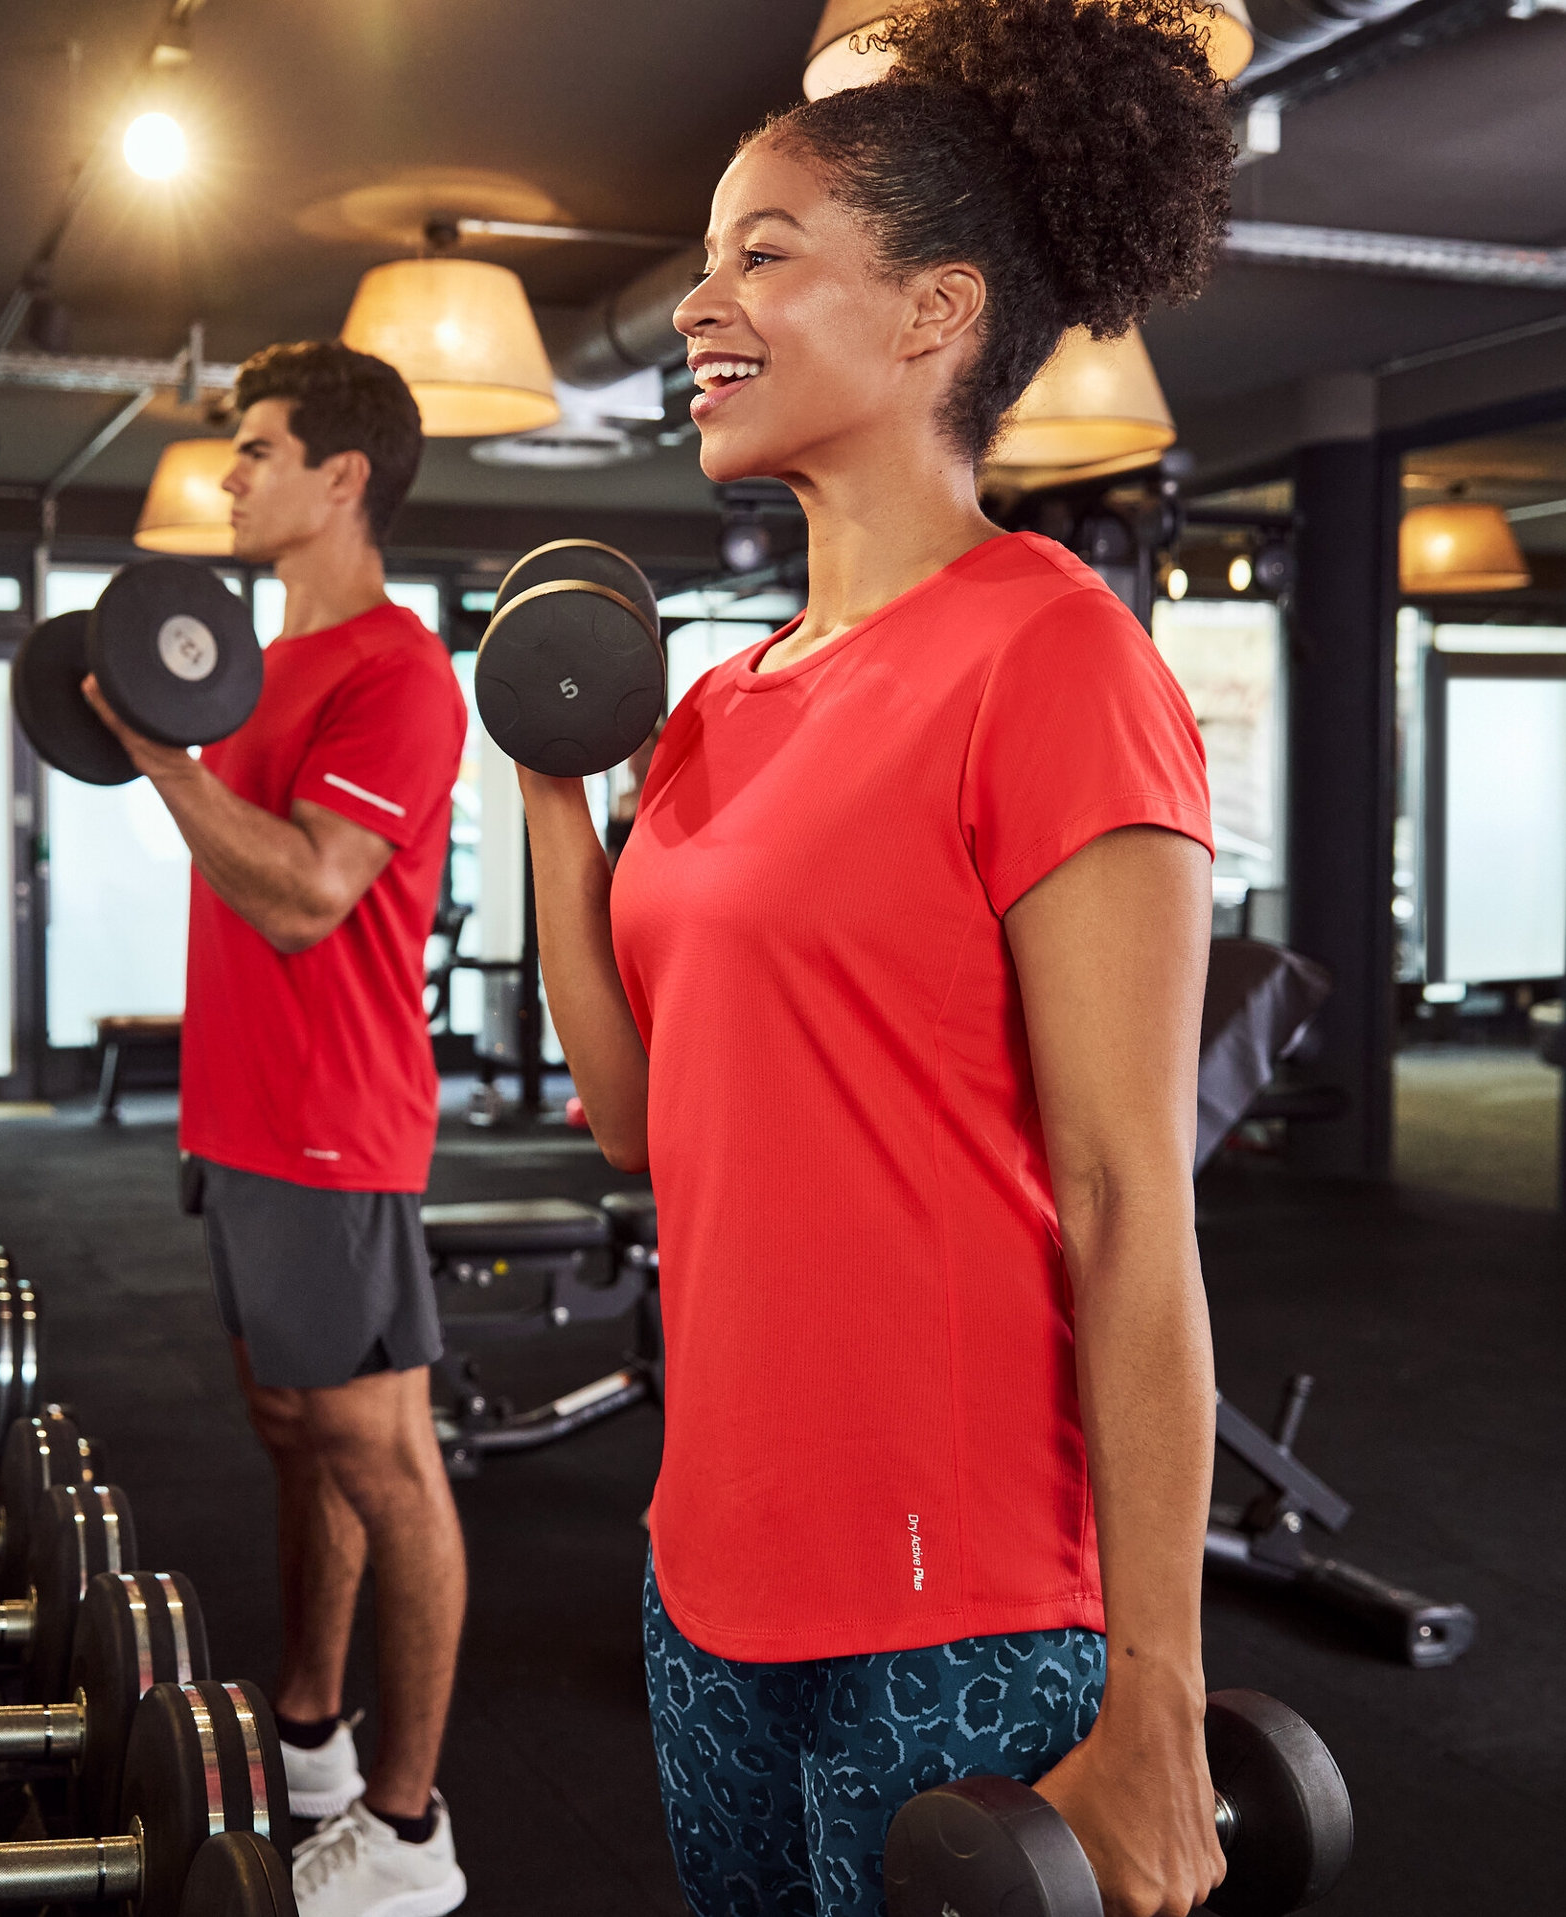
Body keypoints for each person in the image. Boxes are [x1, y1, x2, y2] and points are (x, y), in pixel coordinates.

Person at [517, 2, 1238, 1912]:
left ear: (932, 315)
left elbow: (1121, 1199)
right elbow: (626, 1114)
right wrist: (546, 792)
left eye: (761, 253)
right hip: (710, 1557)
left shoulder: (1052, 657)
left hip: (965, 1593)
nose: (696, 305)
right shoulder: (714, 707)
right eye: (698, 263)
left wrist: (1156, 1690)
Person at [85, 340, 471, 1917]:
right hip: (237, 1118)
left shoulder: (396, 671)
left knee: (384, 1458)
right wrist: (171, 749)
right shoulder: (253, 670)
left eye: (256, 450)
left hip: (331, 1129)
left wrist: (161, 766)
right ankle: (309, 1735)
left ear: (341, 478)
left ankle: (405, 1830)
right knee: (288, 1432)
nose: (230, 476)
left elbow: (311, 893)